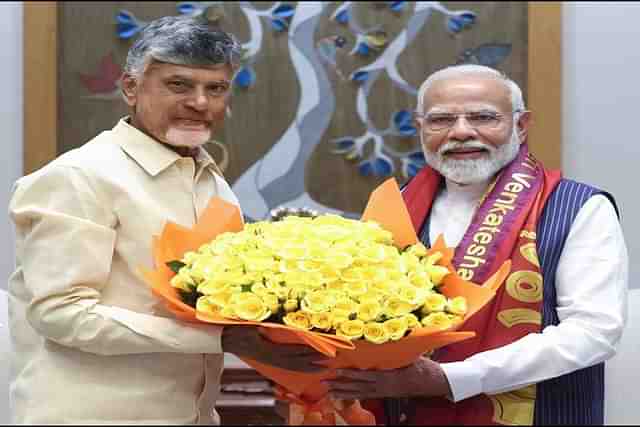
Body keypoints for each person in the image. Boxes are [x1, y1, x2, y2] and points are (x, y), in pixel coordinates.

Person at [7, 16, 327, 424]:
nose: (200, 102)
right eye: (179, 85)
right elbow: (60, 313)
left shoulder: (209, 180)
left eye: (215, 88)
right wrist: (220, 337)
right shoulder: (79, 177)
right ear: (130, 88)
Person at [324, 64, 628, 425]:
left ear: (521, 124)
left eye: (484, 117)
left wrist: (452, 379)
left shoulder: (577, 206)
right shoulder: (396, 205)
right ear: (420, 128)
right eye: (441, 120)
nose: (462, 132)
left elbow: (595, 332)